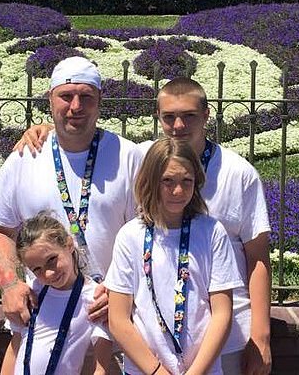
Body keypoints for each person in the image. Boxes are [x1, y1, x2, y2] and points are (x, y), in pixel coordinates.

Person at [15, 76, 272, 375]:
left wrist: (261, 335)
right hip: (152, 345)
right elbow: (87, 141)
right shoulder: (143, 157)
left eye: (189, 115)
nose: (179, 125)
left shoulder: (239, 174)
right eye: (169, 117)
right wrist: (48, 131)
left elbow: (258, 258)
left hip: (224, 340)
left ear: (206, 115)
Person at [0, 56, 144, 371]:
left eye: (86, 97)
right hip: (44, 307)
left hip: (110, 308)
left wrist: (122, 288)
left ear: (100, 101)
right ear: (50, 98)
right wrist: (10, 284)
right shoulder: (26, 156)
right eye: (66, 96)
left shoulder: (128, 155)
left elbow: (149, 234)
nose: (75, 106)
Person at [106, 138, 242, 375]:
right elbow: (118, 319)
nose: (178, 191)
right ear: (150, 181)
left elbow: (222, 313)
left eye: (186, 181)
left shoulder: (211, 232)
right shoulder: (131, 235)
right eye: (167, 181)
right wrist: (157, 371)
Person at [2, 212, 112, 375]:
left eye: (51, 260)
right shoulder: (31, 293)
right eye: (37, 269)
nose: (48, 274)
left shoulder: (93, 297)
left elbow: (100, 367)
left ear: (68, 245)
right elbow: (15, 347)